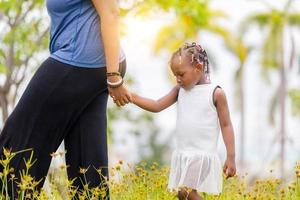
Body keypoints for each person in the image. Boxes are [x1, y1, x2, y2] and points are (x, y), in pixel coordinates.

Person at [0, 0, 130, 197]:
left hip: (79, 62)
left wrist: (113, 77)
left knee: (16, 145)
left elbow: (111, 12)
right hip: (91, 66)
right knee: (86, 161)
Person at [130, 42, 236, 200]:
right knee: (183, 196)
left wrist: (231, 157)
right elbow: (157, 105)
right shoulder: (179, 91)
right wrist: (132, 97)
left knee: (185, 192)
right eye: (175, 75)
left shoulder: (216, 93)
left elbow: (226, 125)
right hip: (184, 153)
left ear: (198, 68)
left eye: (181, 74)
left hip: (202, 154)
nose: (178, 79)